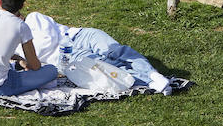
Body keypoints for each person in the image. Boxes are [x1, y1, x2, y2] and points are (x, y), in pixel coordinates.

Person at [25, 11, 174, 95]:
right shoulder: (15, 45)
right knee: (108, 68)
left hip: (79, 36)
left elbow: (48, 39)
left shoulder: (33, 18)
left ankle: (152, 74)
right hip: (65, 57)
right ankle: (151, 81)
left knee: (116, 50)